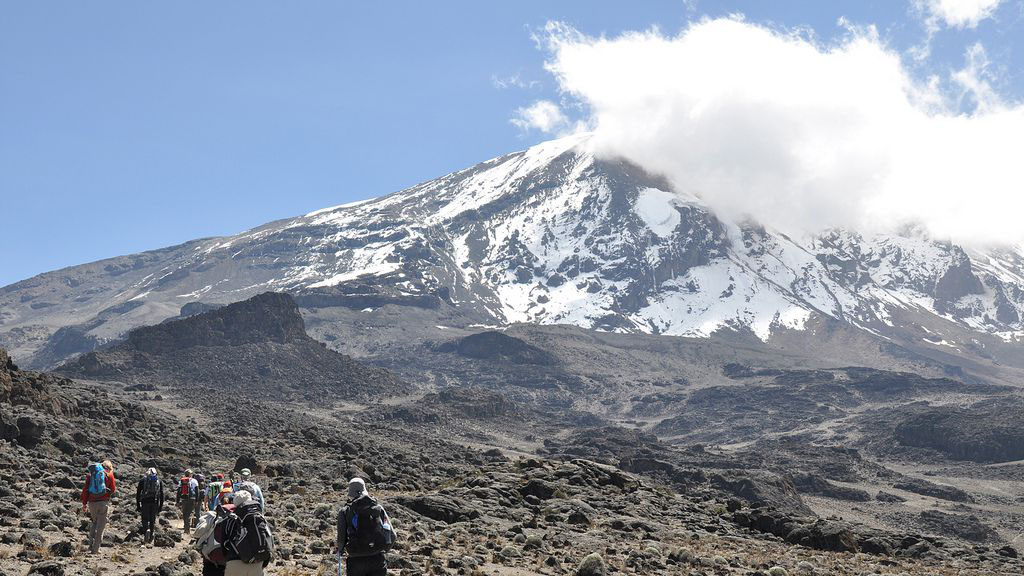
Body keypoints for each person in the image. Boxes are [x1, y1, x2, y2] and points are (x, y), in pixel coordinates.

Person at [337, 478, 396, 576]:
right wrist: (382, 550)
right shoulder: (378, 509)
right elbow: (393, 535)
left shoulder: (345, 511)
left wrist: (340, 551)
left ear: (350, 492)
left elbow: (341, 539)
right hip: (377, 559)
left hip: (355, 561)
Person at [222, 490, 273, 575]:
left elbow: (223, 546)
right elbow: (269, 541)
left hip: (234, 564)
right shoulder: (259, 518)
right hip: (257, 563)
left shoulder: (229, 520)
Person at [80, 460, 116, 554]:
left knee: (94, 523)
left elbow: (85, 490)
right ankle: (96, 549)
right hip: (103, 503)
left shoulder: (90, 475)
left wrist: (84, 504)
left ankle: (91, 545)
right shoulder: (109, 475)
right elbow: (113, 489)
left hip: (92, 503)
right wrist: (106, 493)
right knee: (100, 527)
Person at [135, 467, 164, 545]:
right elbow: (161, 495)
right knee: (152, 519)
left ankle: (146, 530)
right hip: (155, 503)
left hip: (145, 502)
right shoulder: (159, 481)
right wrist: (160, 506)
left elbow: (138, 494)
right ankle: (151, 535)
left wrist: (138, 505)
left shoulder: (142, 480)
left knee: (144, 519)